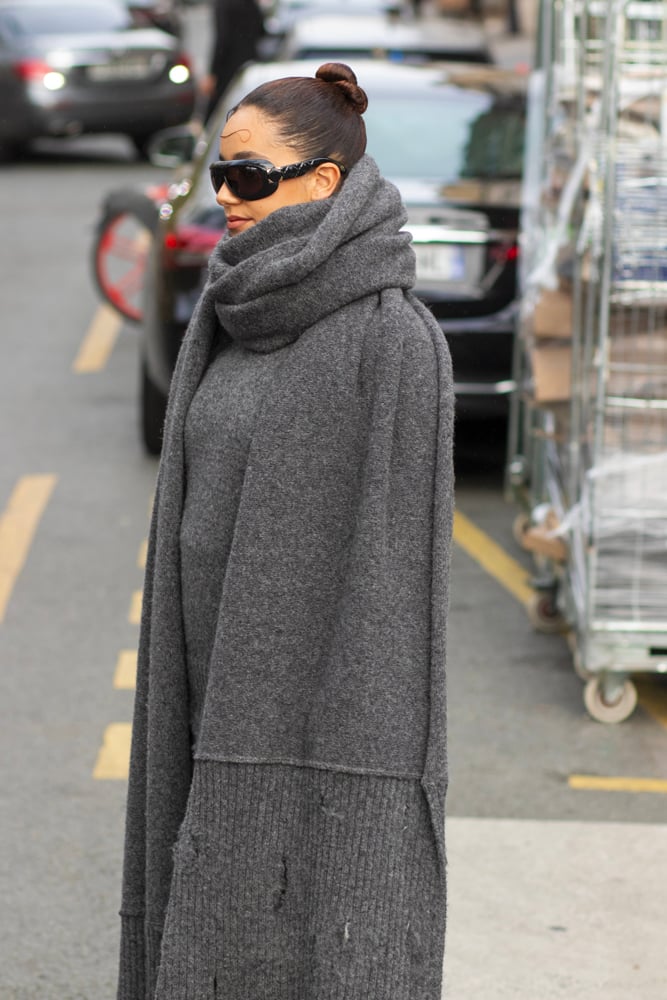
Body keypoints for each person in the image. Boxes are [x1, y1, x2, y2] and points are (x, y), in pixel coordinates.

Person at [116, 62, 455, 1000]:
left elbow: (392, 595)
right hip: (197, 674)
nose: (225, 195)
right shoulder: (232, 309)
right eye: (219, 173)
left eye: (250, 176)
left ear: (322, 182)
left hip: (313, 725)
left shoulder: (391, 339)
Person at [199, 0, 264, 122]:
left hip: (228, 68)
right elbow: (261, 29)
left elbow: (222, 40)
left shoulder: (223, 4)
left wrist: (213, 74)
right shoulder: (249, 3)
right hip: (251, 62)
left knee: (220, 112)